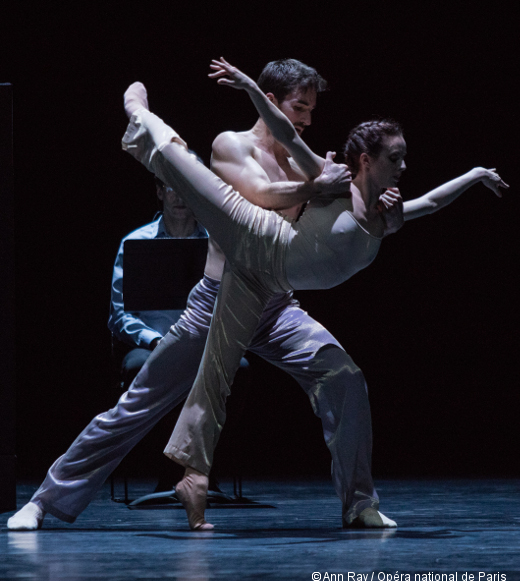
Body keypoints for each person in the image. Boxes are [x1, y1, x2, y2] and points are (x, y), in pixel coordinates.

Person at [119, 59, 507, 531]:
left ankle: (195, 477)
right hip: (255, 237)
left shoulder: (388, 215)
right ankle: (139, 113)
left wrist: (473, 175)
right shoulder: (334, 181)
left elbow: (432, 201)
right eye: (395, 159)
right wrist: (247, 86)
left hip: (268, 284)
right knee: (181, 166)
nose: (404, 168)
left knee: (220, 373)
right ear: (365, 160)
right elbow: (285, 129)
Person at [8, 59, 366, 531]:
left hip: (275, 306)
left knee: (343, 375)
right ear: (272, 102)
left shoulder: (299, 156)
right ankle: (44, 501)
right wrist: (313, 186)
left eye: (312, 110)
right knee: (134, 408)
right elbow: (252, 203)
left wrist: (366, 197)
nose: (307, 119)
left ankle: (359, 503)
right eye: (300, 107)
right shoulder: (230, 145)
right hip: (216, 303)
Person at [109, 176, 207, 391]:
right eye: (173, 187)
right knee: (139, 366)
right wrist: (155, 341)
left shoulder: (216, 246)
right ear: (160, 192)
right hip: (150, 346)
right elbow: (119, 315)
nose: (180, 196)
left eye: (187, 187)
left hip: (202, 345)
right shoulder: (134, 243)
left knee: (239, 368)